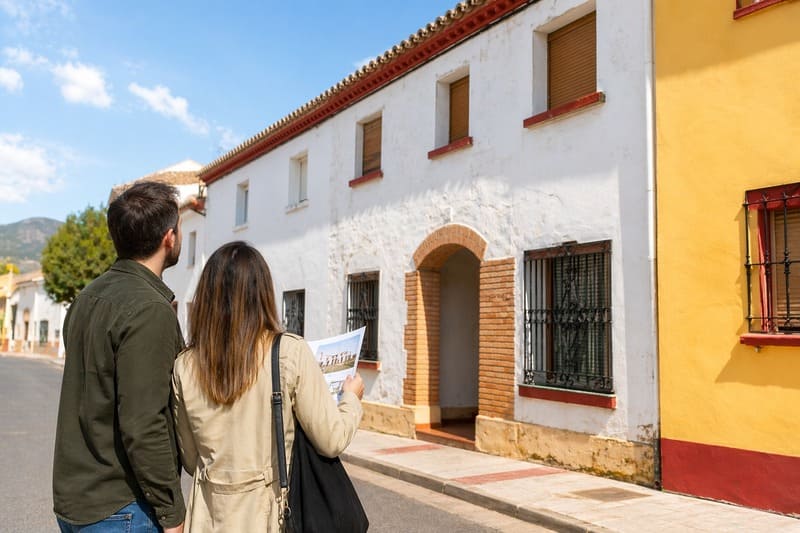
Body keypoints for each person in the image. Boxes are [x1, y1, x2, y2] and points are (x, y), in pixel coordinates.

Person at [171, 241, 365, 533]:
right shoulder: (287, 351)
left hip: (207, 519)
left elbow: (188, 457)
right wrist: (351, 399)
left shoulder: (184, 365)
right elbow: (331, 439)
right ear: (261, 293)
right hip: (267, 517)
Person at [53, 181, 186, 533]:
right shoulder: (149, 309)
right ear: (169, 237)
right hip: (122, 508)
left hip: (77, 501)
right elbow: (144, 424)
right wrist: (172, 514)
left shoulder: (87, 297)